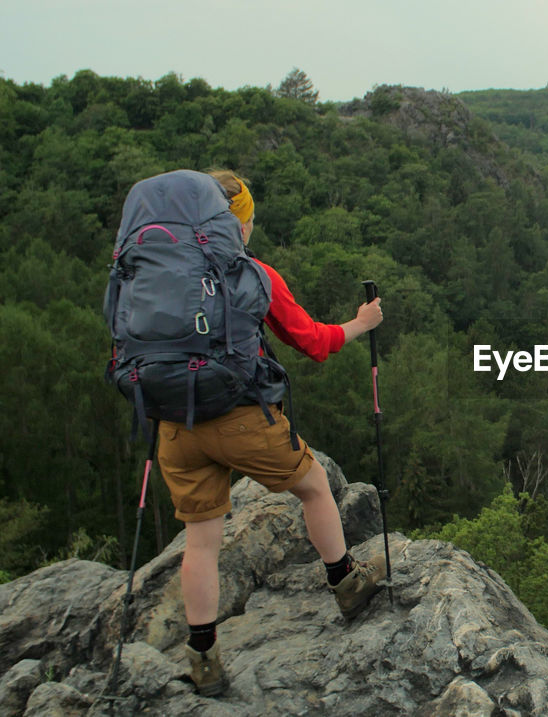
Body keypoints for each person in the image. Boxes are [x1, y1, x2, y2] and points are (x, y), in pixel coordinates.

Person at [159, 170, 387, 696]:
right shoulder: (253, 273)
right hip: (242, 416)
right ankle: (347, 583)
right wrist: (361, 324)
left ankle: (205, 658)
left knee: (201, 540)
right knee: (313, 485)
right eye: (250, 220)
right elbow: (313, 341)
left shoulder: (157, 274)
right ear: (237, 225)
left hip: (176, 422)